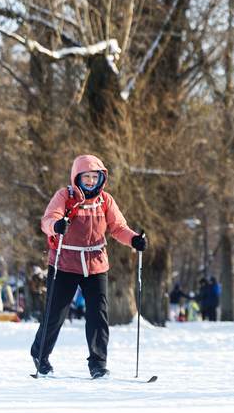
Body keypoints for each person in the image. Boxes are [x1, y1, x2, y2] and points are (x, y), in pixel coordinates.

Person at [29, 155, 147, 379]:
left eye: (95, 177)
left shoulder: (105, 200)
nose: (91, 181)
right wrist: (56, 225)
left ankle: (98, 364)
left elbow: (118, 227)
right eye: (87, 177)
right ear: (77, 177)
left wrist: (134, 240)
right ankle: (40, 356)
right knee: (55, 313)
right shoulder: (64, 196)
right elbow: (48, 220)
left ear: (101, 178)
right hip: (64, 262)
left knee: (98, 316)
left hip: (96, 265)